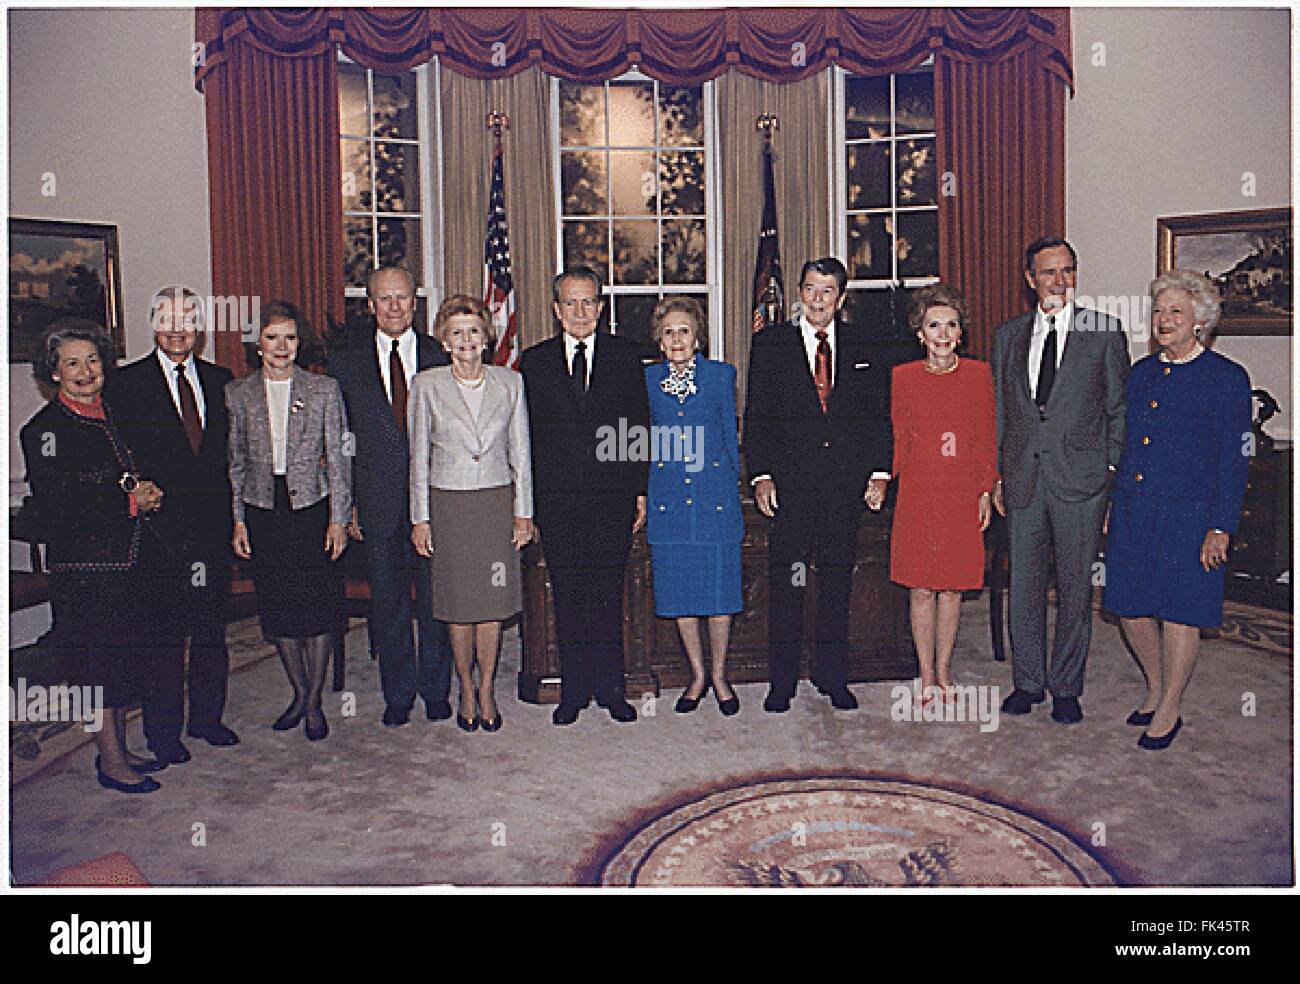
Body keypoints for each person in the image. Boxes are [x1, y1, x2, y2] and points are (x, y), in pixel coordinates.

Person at [1102, 271, 1251, 749]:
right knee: (1129, 606)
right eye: (1159, 311)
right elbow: (1125, 445)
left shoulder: (1227, 379)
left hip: (1191, 515)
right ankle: (1155, 684)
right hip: (1134, 507)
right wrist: (1111, 503)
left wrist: (1220, 526)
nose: (1163, 321)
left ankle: (1169, 706)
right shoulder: (1142, 373)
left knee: (1180, 610)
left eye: (1175, 312)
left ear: (1200, 322)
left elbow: (1234, 460)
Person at [20, 321, 169, 792]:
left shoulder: (115, 414)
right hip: (85, 572)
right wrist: (128, 502)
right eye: (72, 363)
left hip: (129, 564)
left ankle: (119, 749)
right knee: (96, 668)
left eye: (92, 360)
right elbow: (55, 507)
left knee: (122, 663)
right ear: (54, 373)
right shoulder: (43, 430)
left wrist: (148, 491)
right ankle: (111, 763)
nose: (85, 372)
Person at [743, 257, 893, 713]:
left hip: (845, 487)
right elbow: (757, 415)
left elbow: (879, 415)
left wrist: (879, 473)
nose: (817, 299)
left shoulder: (867, 343)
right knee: (786, 583)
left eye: (827, 291)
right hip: (791, 486)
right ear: (799, 293)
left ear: (841, 297)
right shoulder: (771, 344)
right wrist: (762, 474)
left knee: (835, 582)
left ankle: (833, 676)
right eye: (810, 289)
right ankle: (782, 681)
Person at [991, 236, 1130, 724]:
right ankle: (1028, 682)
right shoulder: (1008, 336)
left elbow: (1119, 410)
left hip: (1082, 481)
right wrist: (997, 476)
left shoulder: (1103, 331)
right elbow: (1003, 414)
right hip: (1024, 478)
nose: (1059, 281)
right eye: (1048, 272)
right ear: (1030, 281)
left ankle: (1067, 685)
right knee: (1023, 584)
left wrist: (1109, 469)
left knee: (1075, 586)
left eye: (1067, 271)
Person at [110, 286, 238, 766]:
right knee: (162, 637)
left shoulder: (220, 380)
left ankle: (207, 719)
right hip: (158, 532)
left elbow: (228, 458)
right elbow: (117, 456)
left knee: (210, 631)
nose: (178, 328)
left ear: (199, 326)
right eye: (167, 319)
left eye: (187, 318)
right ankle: (163, 733)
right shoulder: (126, 385)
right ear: (153, 324)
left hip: (210, 528)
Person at [520, 266, 649, 726]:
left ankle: (612, 690)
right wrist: (527, 505)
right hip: (557, 503)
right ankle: (573, 692)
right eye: (570, 303)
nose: (580, 312)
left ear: (600, 307)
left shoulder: (624, 356)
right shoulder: (532, 363)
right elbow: (525, 439)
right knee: (569, 595)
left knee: (608, 593)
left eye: (588, 302)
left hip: (612, 498)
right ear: (556, 310)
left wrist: (638, 491)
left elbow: (637, 427)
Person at [329, 267, 453, 728]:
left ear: (415, 303)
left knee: (435, 599)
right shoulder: (346, 363)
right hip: (376, 502)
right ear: (370, 305)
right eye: (385, 299)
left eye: (402, 298)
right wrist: (350, 506)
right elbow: (341, 441)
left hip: (434, 502)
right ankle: (398, 694)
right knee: (389, 602)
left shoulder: (441, 355)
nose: (394, 307)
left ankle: (437, 690)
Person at [409, 296, 534, 732]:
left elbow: (522, 452)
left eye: (474, 330)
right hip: (449, 504)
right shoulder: (426, 384)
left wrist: (523, 513)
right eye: (457, 332)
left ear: (487, 337)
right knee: (458, 605)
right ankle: (464, 685)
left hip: (496, 504)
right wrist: (420, 518)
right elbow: (418, 456)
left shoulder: (510, 384)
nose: (466, 340)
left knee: (492, 604)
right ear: (444, 340)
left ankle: (487, 689)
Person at [227, 302, 351, 741]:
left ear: (300, 343)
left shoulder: (323, 389)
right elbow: (235, 463)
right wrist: (238, 521)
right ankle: (299, 693)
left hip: (311, 509)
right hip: (263, 510)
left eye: (290, 337)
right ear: (257, 344)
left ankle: (314, 701)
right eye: (272, 337)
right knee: (280, 609)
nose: (282, 346)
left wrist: (339, 518)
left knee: (316, 609)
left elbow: (339, 458)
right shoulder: (237, 394)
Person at [876, 286, 997, 709]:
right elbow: (896, 438)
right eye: (933, 325)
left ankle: (945, 671)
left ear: (961, 333)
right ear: (920, 334)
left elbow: (985, 437)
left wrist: (986, 489)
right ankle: (924, 673)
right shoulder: (903, 377)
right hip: (919, 493)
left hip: (961, 493)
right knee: (922, 587)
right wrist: (882, 478)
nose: (942, 334)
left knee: (952, 588)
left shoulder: (980, 375)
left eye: (950, 325)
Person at [644, 297, 742, 716]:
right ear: (659, 340)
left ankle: (720, 675)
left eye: (684, 330)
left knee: (719, 595)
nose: (677, 338)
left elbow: (730, 439)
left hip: (714, 496)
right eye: (668, 332)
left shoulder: (721, 376)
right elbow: (641, 440)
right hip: (668, 499)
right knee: (681, 593)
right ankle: (697, 675)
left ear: (698, 335)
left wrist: (732, 490)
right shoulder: (646, 380)